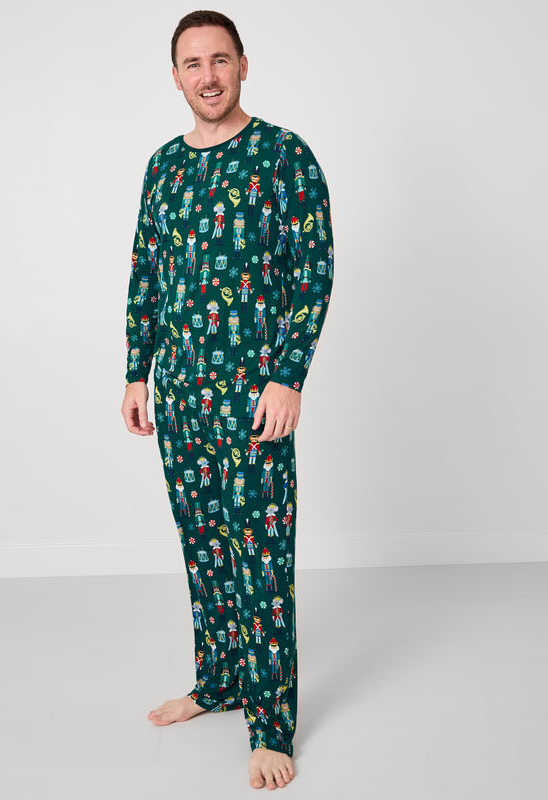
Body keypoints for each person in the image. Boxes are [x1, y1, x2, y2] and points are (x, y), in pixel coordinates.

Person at [121, 9, 335, 791]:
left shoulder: (284, 156)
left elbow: (314, 269)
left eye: (220, 59)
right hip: (181, 396)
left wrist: (289, 375)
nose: (207, 75)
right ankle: (218, 683)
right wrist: (137, 371)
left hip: (255, 399)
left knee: (261, 559)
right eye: (193, 63)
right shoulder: (164, 168)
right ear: (176, 76)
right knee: (204, 546)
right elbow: (147, 270)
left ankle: (271, 728)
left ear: (244, 65)